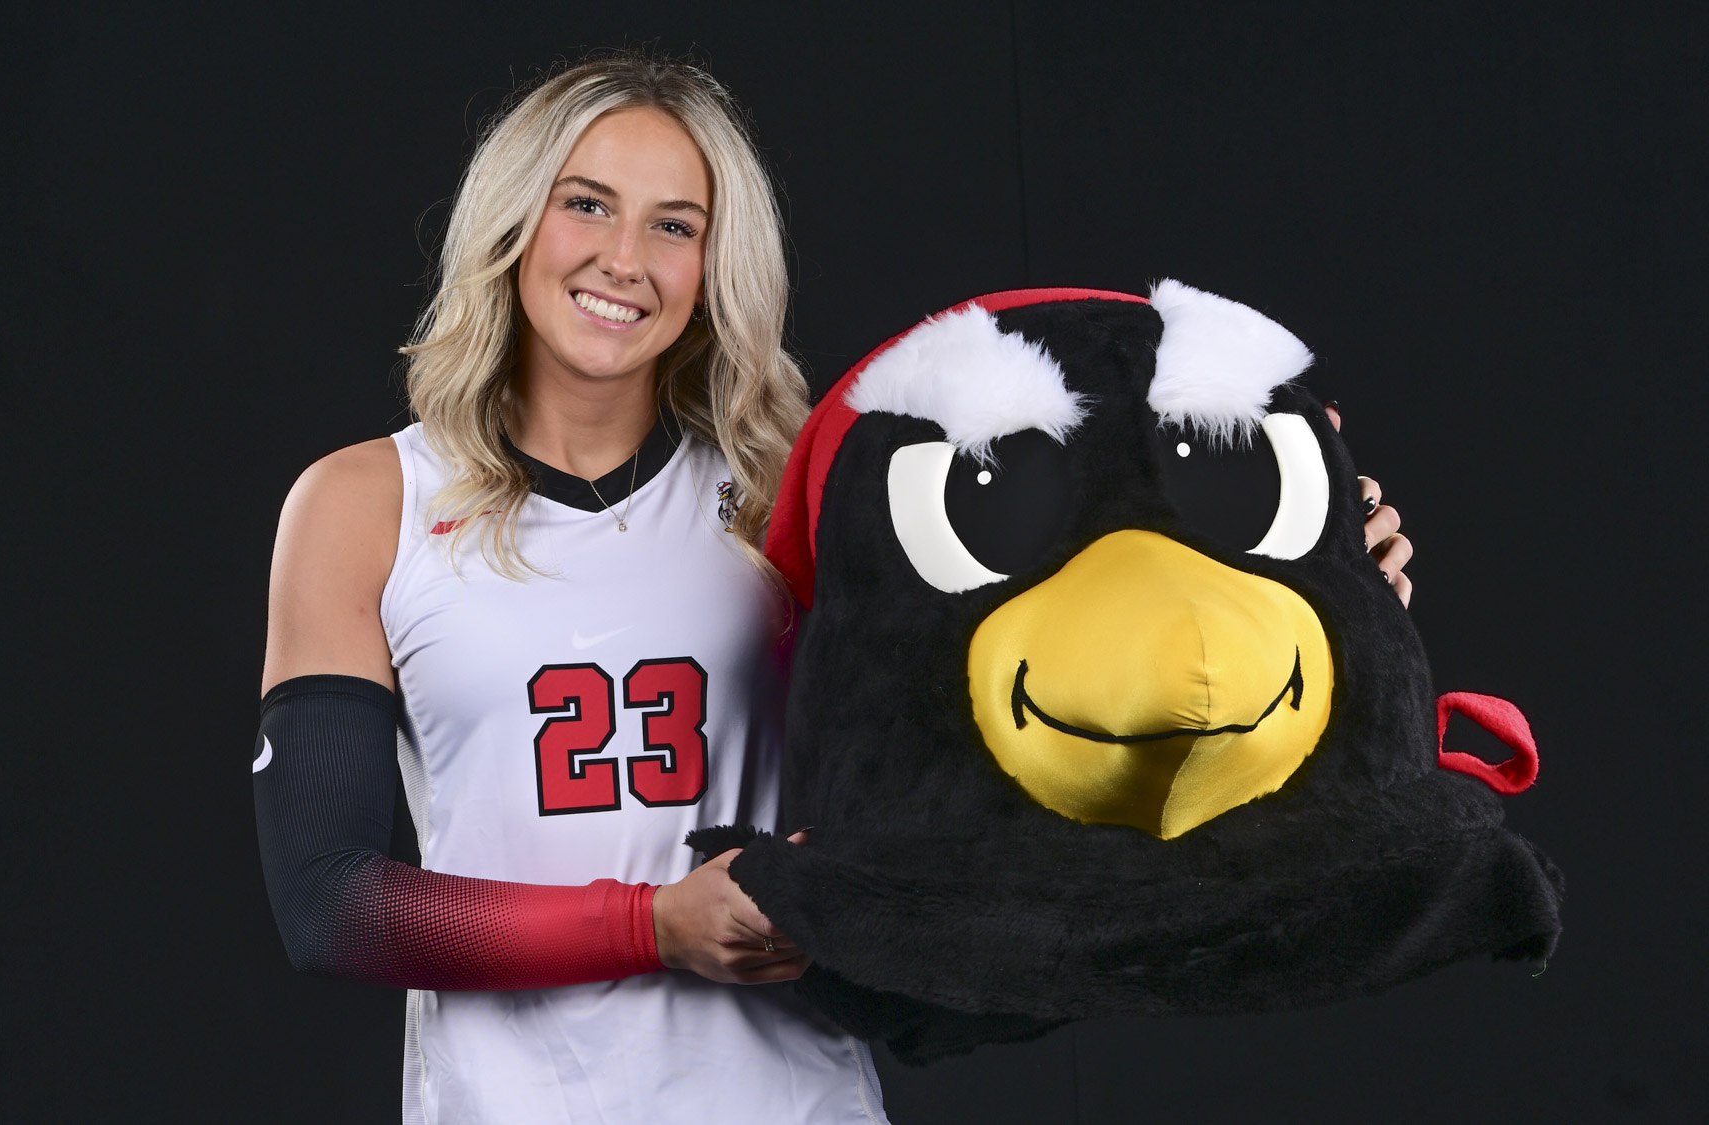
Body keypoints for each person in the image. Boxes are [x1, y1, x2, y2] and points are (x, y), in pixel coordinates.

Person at [251, 51, 1413, 1125]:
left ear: (713, 268)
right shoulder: (365, 503)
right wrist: (652, 927)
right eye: (584, 201)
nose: (622, 259)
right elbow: (331, 903)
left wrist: (1307, 593)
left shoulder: (798, 483)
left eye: (675, 225)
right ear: (512, 219)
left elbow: (1022, 746)